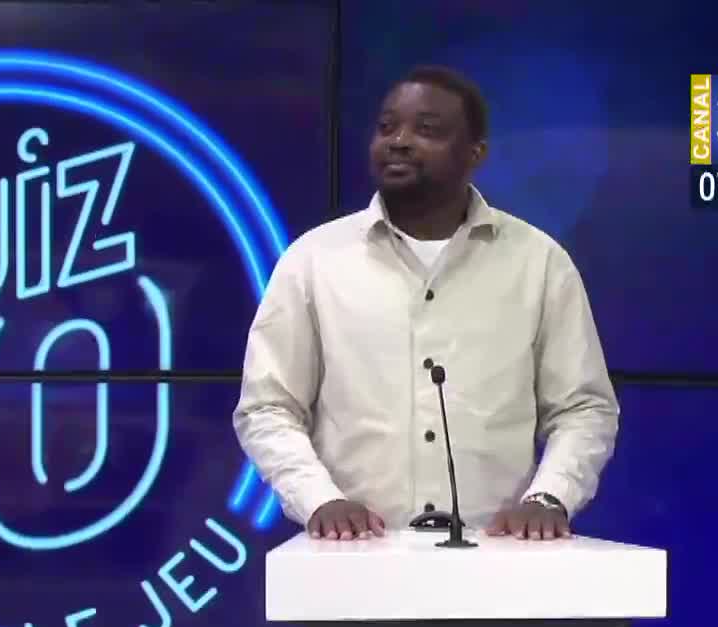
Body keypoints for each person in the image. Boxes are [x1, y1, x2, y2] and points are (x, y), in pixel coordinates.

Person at [234, 66, 618, 541]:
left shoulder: (537, 262)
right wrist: (320, 500)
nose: (399, 141)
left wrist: (548, 498)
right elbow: (267, 408)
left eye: (427, 129)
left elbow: (583, 408)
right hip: (352, 560)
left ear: (475, 153)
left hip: (499, 558)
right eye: (387, 127)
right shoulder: (313, 260)